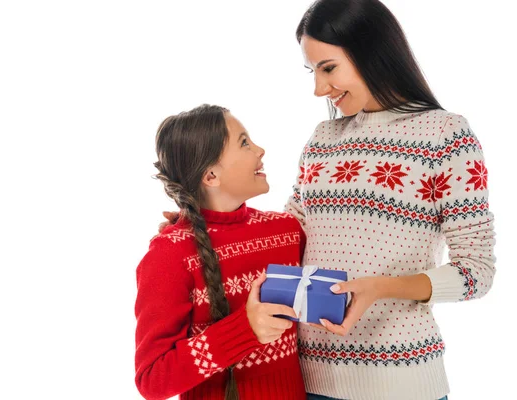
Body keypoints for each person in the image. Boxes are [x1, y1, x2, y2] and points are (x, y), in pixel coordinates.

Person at [160, 1, 496, 398]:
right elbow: (289, 235)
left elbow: (476, 273)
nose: (320, 88)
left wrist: (381, 287)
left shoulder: (446, 135)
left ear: (371, 52)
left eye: (329, 67)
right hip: (309, 380)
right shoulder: (323, 139)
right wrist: (207, 226)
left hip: (402, 383)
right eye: (313, 71)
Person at [135, 104, 307, 400]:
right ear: (211, 175)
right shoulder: (169, 254)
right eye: (244, 142)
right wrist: (244, 330)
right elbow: (152, 379)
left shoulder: (287, 231)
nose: (259, 149)